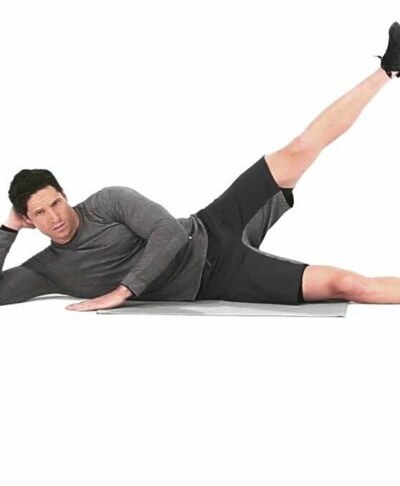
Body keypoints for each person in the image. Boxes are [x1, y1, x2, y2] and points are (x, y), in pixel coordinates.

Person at [1, 22, 400, 312]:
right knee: (346, 284)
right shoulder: (49, 270)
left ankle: (389, 68)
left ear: (64, 195)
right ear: (29, 219)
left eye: (55, 203)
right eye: (40, 213)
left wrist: (123, 291)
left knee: (295, 152)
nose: (55, 216)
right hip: (220, 276)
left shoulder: (107, 202)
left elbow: (170, 233)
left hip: (211, 227)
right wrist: (7, 230)